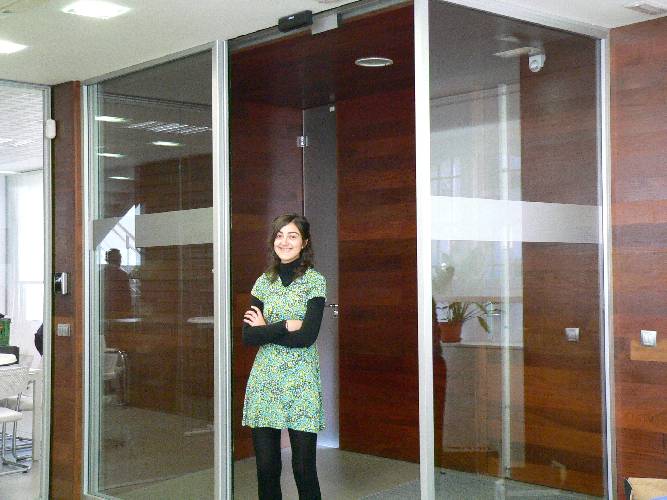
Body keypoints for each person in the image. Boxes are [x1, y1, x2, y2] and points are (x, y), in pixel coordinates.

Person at [242, 213, 327, 500]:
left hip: (301, 383)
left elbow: (307, 338)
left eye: (292, 236)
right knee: (266, 469)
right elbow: (248, 336)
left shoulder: (314, 281)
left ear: (305, 242)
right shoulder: (263, 282)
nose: (285, 241)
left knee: (303, 468)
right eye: (279, 235)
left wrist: (265, 329)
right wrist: (285, 325)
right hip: (265, 382)